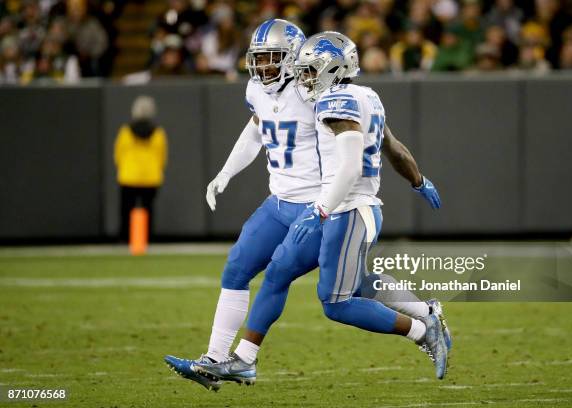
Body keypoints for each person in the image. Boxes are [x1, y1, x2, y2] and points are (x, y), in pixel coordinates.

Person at [164, 21, 446, 391]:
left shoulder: (320, 90)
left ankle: (243, 360)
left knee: (318, 286)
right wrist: (226, 172)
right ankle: (215, 359)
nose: (263, 67)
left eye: (272, 58)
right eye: (259, 58)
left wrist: (410, 180)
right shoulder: (267, 89)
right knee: (239, 268)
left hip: (322, 203)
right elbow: (257, 128)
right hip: (280, 200)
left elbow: (371, 146)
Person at [114, 96, 168, 242]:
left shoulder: (125, 131)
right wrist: (157, 169)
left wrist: (123, 167)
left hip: (128, 176)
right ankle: (146, 239)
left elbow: (118, 153)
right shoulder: (158, 133)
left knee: (126, 210)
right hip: (151, 177)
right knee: (148, 209)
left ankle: (125, 239)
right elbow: (162, 155)